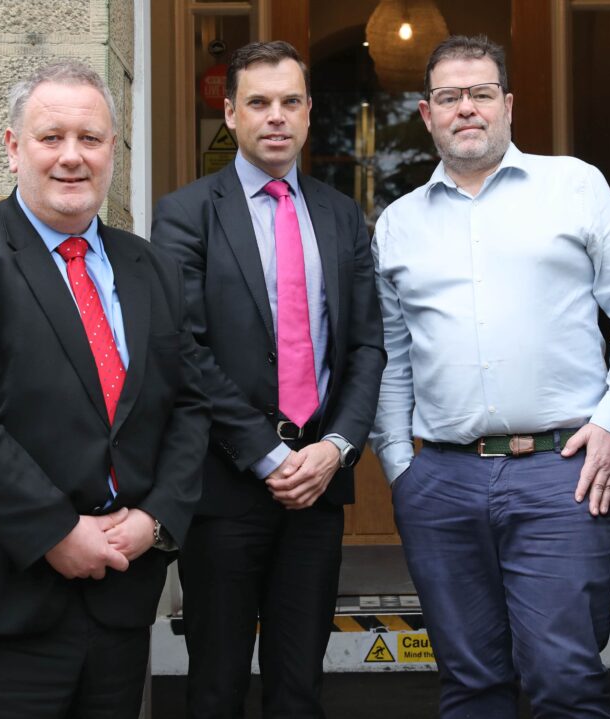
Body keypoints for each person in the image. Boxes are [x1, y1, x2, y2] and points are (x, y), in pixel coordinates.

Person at [0, 61, 211, 718]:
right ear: (13, 148)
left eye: (89, 139)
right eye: (51, 137)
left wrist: (155, 521)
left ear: (112, 150)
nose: (71, 156)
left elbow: (189, 405)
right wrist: (57, 530)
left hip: (117, 603)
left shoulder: (151, 268)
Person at [370, 34, 610, 718]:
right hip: (441, 480)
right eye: (449, 96)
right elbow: (391, 353)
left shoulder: (574, 186)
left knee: (565, 680)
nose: (466, 108)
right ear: (426, 113)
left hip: (561, 473)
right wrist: (398, 465)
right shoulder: (398, 224)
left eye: (480, 93)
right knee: (470, 685)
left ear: (507, 104)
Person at [151, 41, 385, 718]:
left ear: (309, 112)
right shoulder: (186, 213)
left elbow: (367, 345)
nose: (275, 116)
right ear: (231, 114)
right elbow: (184, 348)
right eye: (258, 102)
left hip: (318, 486)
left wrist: (335, 447)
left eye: (289, 102)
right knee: (216, 686)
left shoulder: (341, 215)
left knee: (300, 686)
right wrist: (266, 452)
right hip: (225, 488)